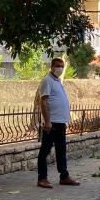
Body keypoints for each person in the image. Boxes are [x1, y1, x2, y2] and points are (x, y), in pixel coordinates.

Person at [36, 57, 80, 188]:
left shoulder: (58, 81)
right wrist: (47, 121)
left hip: (60, 122)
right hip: (52, 123)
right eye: (57, 66)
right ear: (52, 67)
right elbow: (43, 101)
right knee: (45, 151)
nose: (60, 68)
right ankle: (42, 178)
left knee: (61, 150)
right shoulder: (47, 81)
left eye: (62, 66)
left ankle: (64, 176)